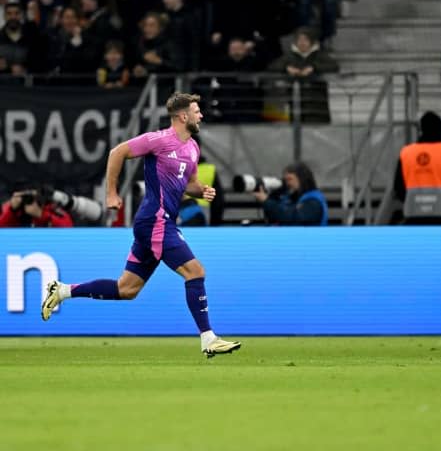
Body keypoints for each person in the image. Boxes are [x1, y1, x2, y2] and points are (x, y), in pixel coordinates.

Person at [40, 92, 241, 358]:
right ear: (183, 116)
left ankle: (63, 290)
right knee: (195, 272)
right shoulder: (157, 140)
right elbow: (117, 152)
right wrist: (111, 193)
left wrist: (200, 190)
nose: (200, 115)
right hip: (154, 219)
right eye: (196, 111)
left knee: (127, 289)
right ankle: (208, 338)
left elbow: (188, 184)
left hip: (159, 222)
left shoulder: (193, 147)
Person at [394, 111, 441, 225]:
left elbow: (398, 186)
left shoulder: (407, 152)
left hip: (414, 213)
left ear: (421, 129)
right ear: (440, 128)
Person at [252, 161, 328, 226]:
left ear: (302, 178)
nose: (287, 183)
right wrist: (272, 195)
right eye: (285, 180)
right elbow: (275, 217)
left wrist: (267, 201)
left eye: (290, 179)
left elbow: (291, 217)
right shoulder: (292, 197)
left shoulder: (313, 201)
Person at [0, 187, 74, 227]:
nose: (29, 200)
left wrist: (41, 215)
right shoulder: (12, 207)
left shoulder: (49, 207)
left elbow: (67, 226)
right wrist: (12, 211)